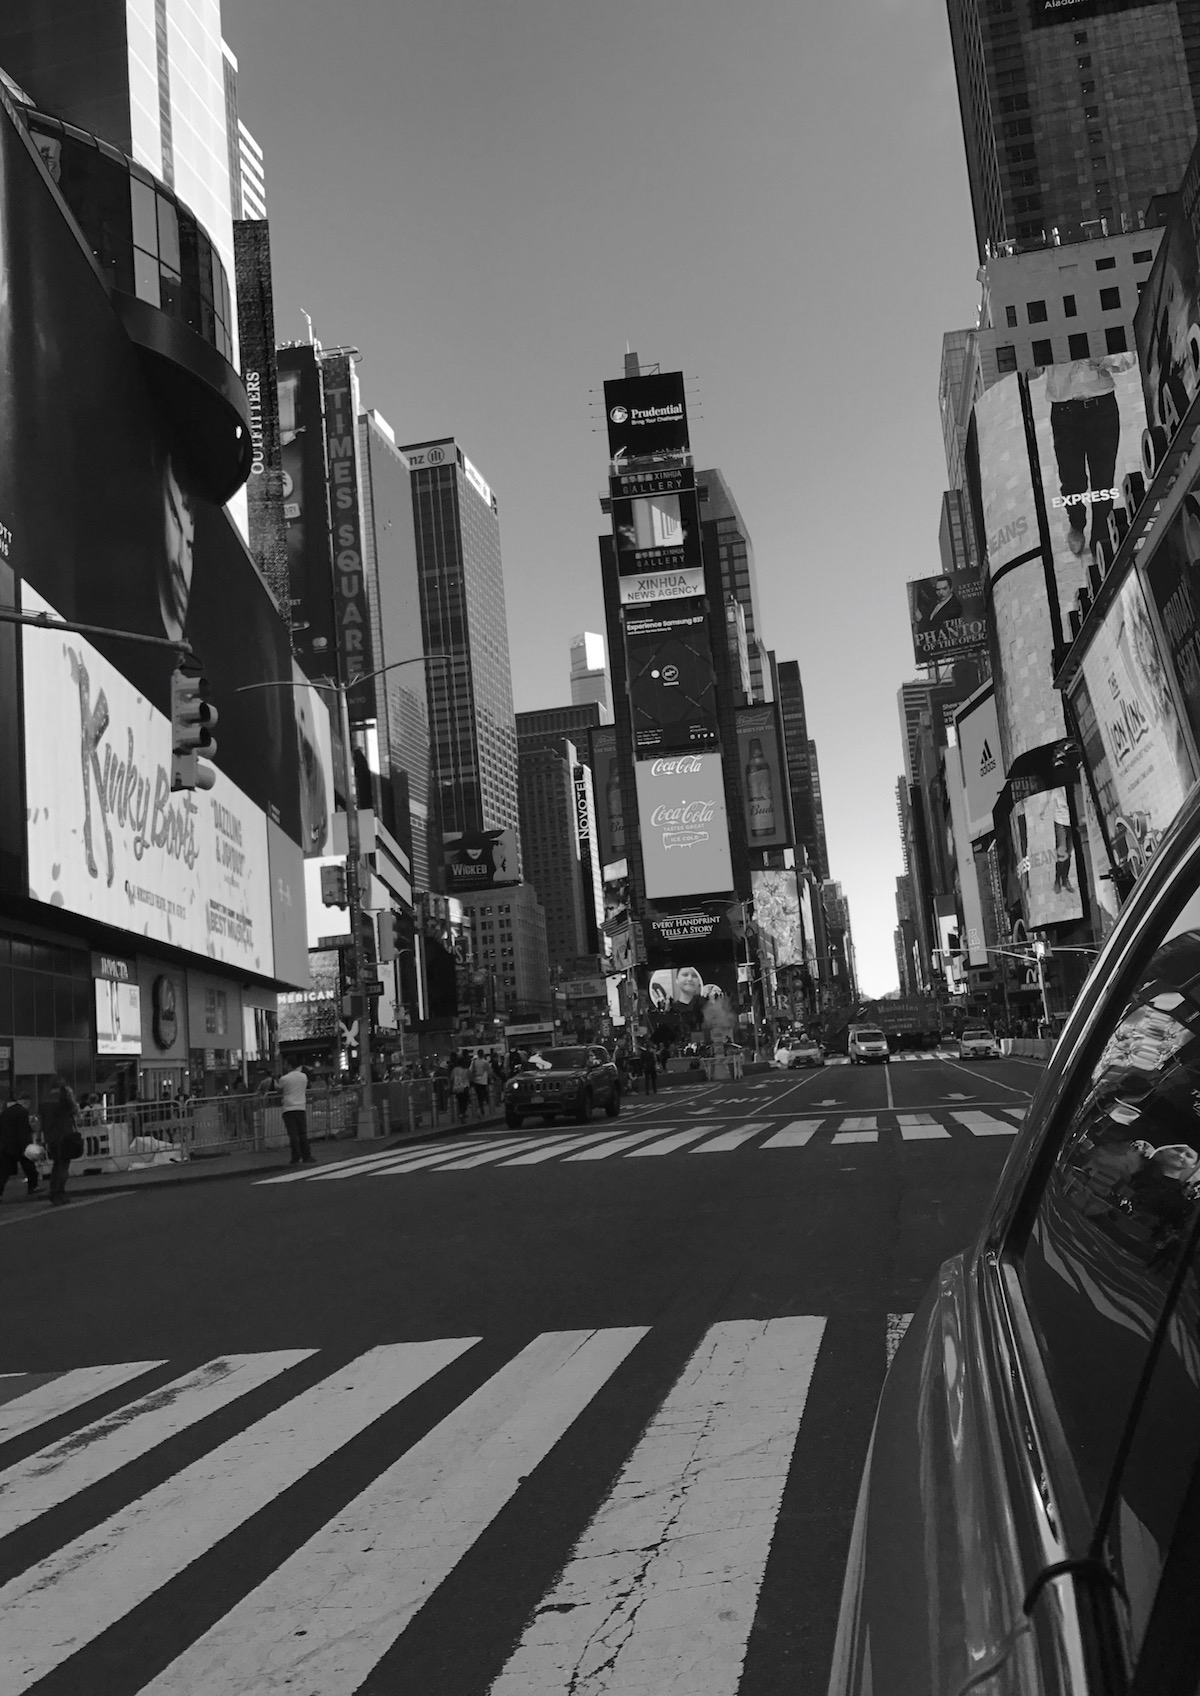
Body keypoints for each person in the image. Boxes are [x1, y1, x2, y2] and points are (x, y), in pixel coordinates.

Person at [1043, 354, 1136, 562]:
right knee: (1071, 479)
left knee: (1103, 478)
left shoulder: (1100, 320)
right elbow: (1030, 370)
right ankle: (1076, 522)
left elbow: (1128, 358)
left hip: (1102, 406)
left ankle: (1101, 539)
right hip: (1064, 410)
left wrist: (1101, 358)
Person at [40, 1079, 81, 1205]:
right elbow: (75, 1110)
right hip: (65, 1135)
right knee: (63, 1165)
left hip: (50, 1136)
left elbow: (42, 1118)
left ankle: (53, 1191)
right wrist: (70, 1095)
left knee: (56, 1165)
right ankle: (60, 1192)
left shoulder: (44, 1099)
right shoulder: (64, 1098)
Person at [0, 1094, 40, 1200]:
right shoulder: (22, 1112)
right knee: (30, 1168)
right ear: (26, 1102)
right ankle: (33, 1187)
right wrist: (27, 1145)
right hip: (20, 1145)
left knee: (4, 1171)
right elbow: (23, 1131)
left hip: (7, 1145)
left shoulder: (5, 1112)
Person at [278, 1063, 315, 1166]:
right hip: (301, 1107)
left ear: (288, 1066)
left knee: (293, 1134)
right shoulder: (303, 1076)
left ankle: (295, 1156)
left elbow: (280, 1090)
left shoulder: (284, 1078)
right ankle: (306, 1155)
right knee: (302, 1133)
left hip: (288, 1108)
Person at [469, 1049, 491, 1116]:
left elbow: (470, 1070)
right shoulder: (485, 1062)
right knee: (483, 1094)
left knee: (478, 1095)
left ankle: (480, 1106)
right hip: (483, 1080)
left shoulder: (474, 1062)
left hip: (476, 1080)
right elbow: (489, 1072)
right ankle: (481, 1107)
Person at [450, 1055, 472, 1121]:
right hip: (465, 1087)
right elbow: (470, 1078)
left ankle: (461, 1113)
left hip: (457, 1087)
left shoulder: (454, 1070)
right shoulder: (466, 1070)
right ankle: (462, 1113)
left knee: (459, 1101)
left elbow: (451, 1078)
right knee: (465, 1101)